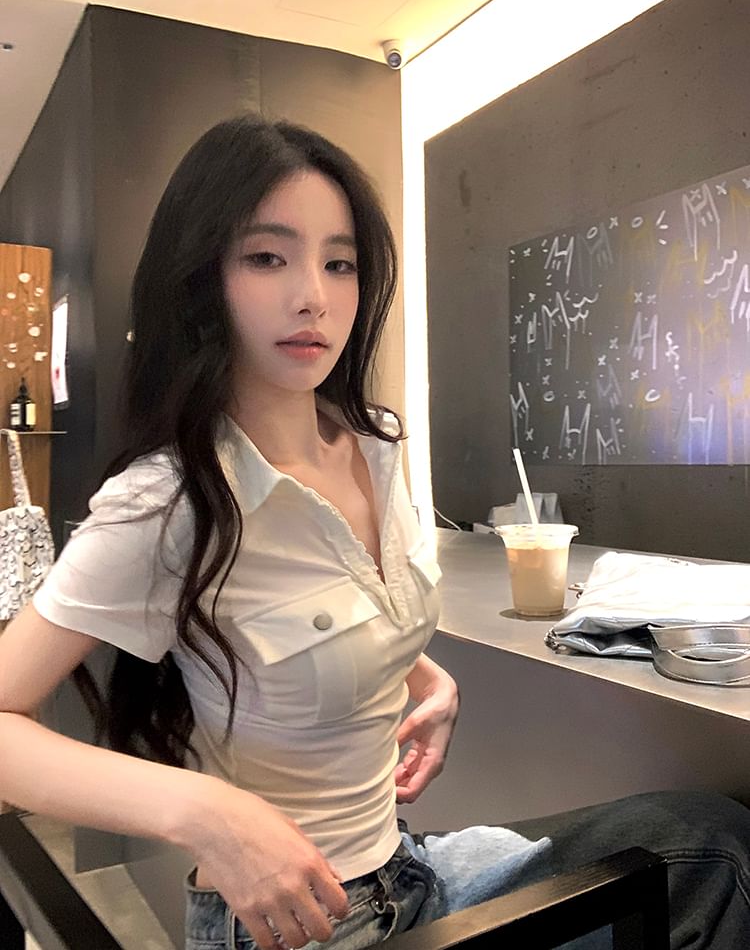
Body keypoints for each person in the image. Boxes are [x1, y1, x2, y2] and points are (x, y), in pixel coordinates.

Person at [0, 115, 749, 950]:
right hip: (297, 924)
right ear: (202, 278)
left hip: (412, 875)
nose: (313, 296)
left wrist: (424, 675)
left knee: (713, 847)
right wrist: (206, 813)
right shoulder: (172, 499)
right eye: (267, 257)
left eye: (340, 263)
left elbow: (340, 604)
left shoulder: (376, 444)